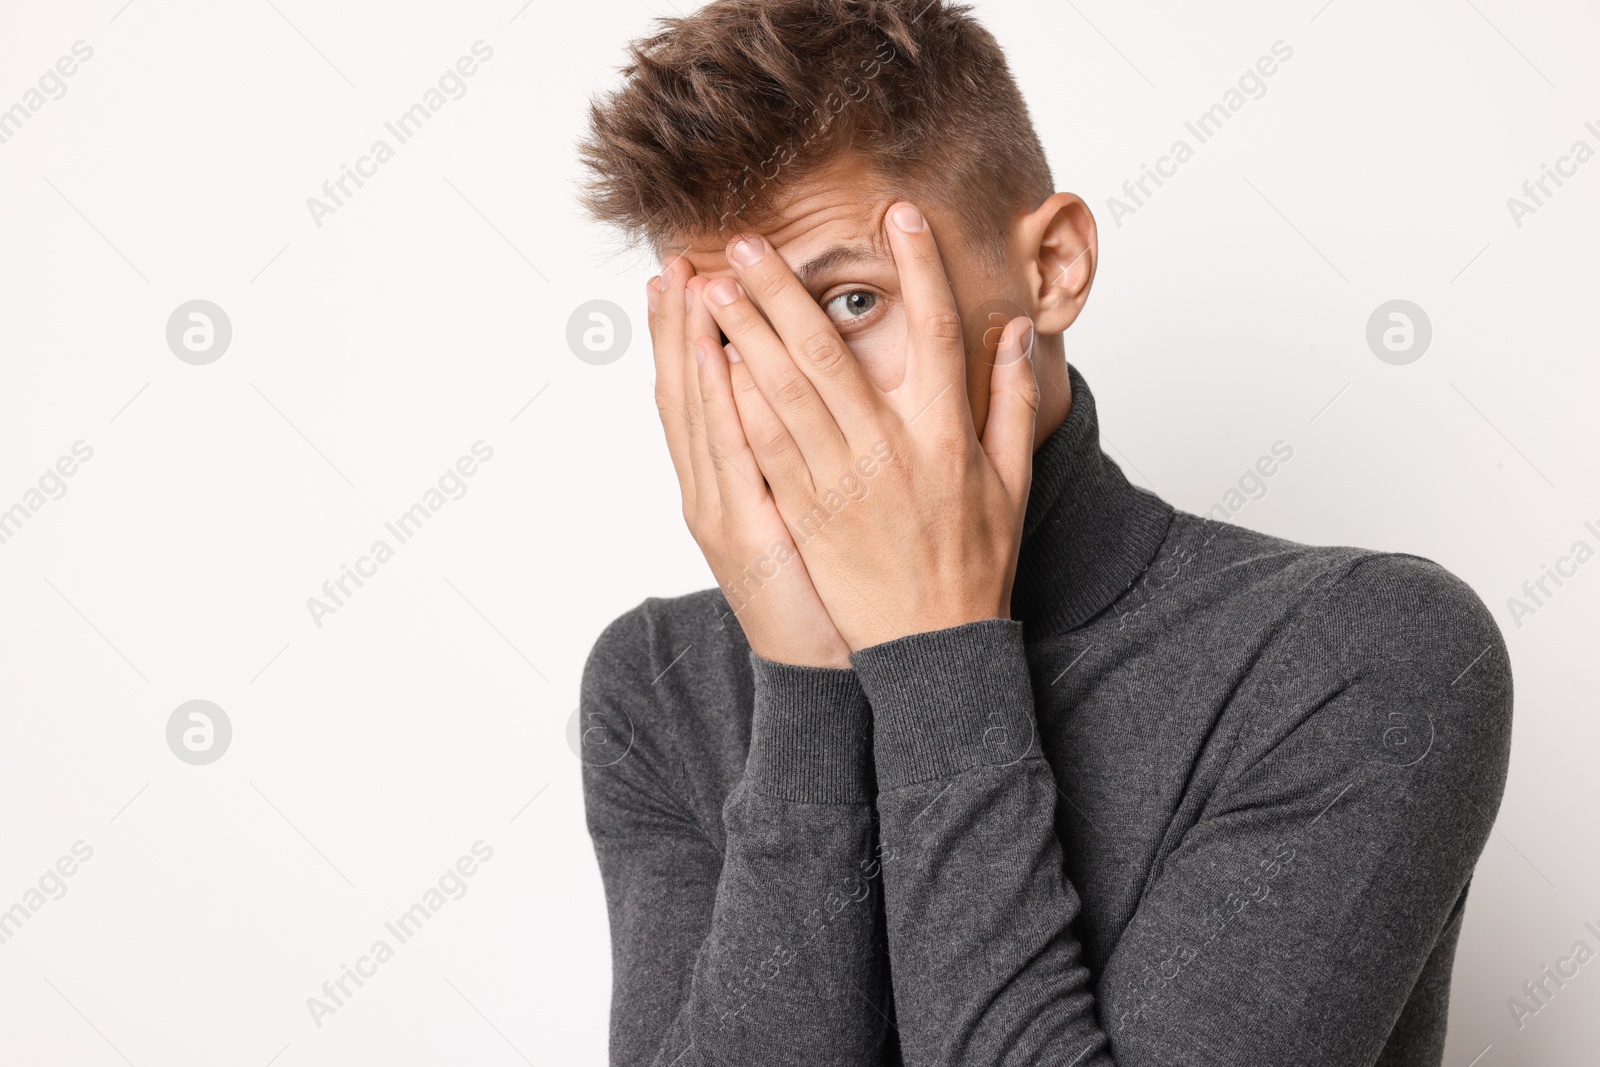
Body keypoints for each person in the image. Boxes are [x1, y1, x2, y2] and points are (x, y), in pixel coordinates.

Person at [575, 2, 1513, 1064]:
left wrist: (935, 656)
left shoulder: (1364, 655)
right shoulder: (659, 683)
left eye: (844, 301)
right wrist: (805, 682)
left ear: (1053, 266)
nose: (790, 392)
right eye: (728, 329)